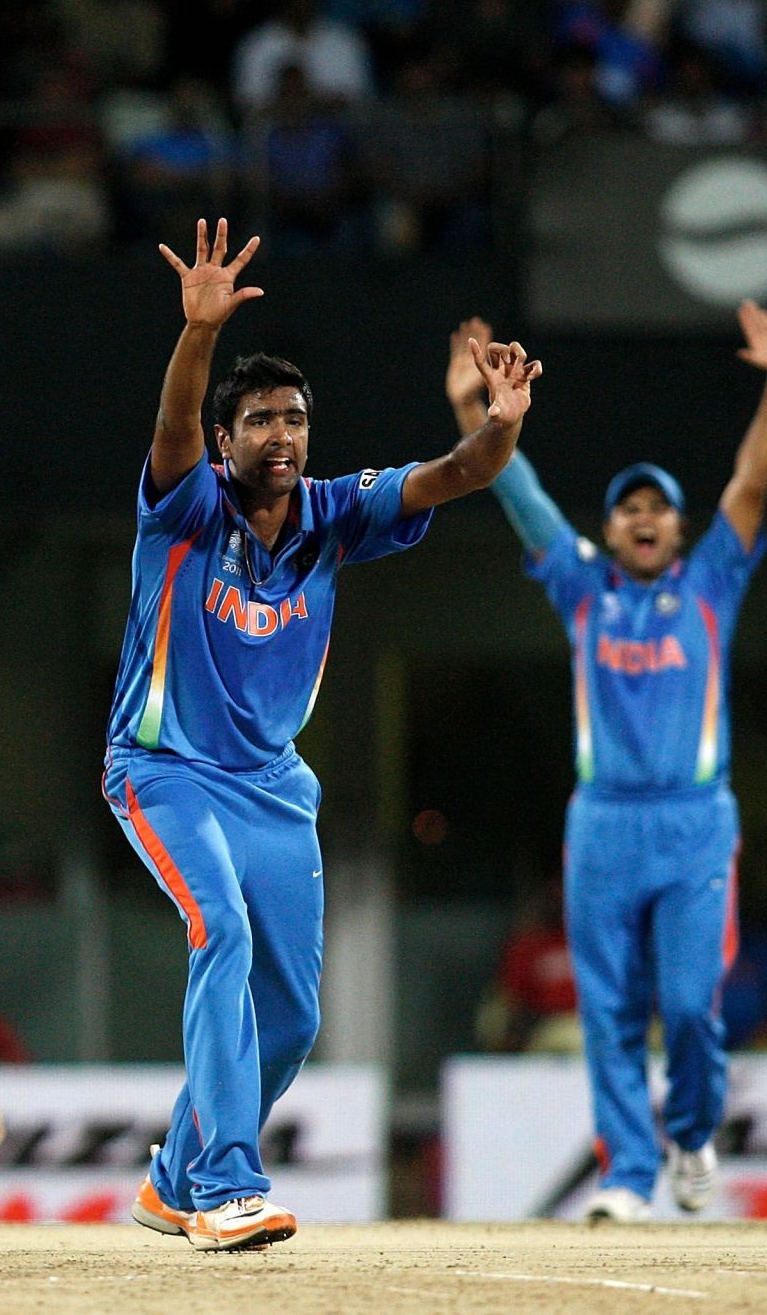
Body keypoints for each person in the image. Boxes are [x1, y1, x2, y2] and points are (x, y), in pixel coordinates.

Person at [111, 220, 540, 1251]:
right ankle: (223, 1183)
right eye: (259, 420)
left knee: (293, 1018)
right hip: (166, 769)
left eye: (295, 418)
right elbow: (173, 422)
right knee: (219, 926)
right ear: (226, 443)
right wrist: (199, 336)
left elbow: (456, 473)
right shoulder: (184, 507)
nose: (281, 435)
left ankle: (172, 1174)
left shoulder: (334, 513)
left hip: (272, 785)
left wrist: (503, 425)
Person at [447, 303, 767, 1222]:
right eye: (629, 508)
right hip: (602, 823)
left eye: (659, 509)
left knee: (687, 1004)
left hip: (691, 823)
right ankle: (627, 1177)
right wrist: (474, 418)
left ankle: (690, 1131)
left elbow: (753, 478)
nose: (645, 519)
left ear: (680, 531)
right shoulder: (583, 588)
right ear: (611, 529)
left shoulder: (714, 583)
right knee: (605, 1013)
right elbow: (519, 497)